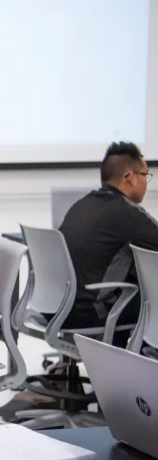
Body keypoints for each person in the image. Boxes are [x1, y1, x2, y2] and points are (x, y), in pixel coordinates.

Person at [58, 141, 158, 340]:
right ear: (129, 177)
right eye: (145, 175)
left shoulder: (82, 204)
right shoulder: (128, 214)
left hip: (59, 307)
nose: (147, 181)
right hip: (91, 313)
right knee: (152, 299)